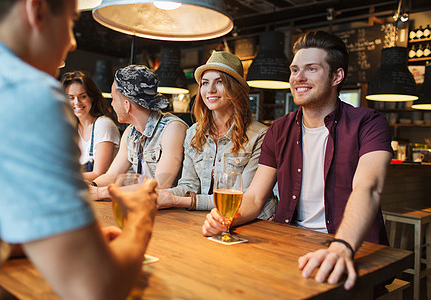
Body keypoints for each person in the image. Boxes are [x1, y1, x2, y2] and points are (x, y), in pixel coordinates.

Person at [0, 1, 158, 299]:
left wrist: (67, 236)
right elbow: (94, 288)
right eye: (72, 21)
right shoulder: (26, 94)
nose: (73, 41)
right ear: (36, 11)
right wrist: (140, 219)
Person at [202, 31, 393, 290]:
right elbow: (255, 198)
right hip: (288, 245)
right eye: (294, 70)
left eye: (311, 69)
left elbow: (368, 187)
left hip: (351, 247)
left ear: (337, 76)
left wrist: (342, 246)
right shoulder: (278, 130)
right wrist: (226, 218)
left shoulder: (368, 123)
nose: (298, 78)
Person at [157, 51, 277, 220]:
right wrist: (159, 195)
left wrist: (177, 201)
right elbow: (188, 185)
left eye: (219, 82)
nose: (210, 90)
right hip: (210, 219)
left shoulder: (259, 135)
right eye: (205, 83)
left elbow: (242, 199)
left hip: (253, 223)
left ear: (235, 89)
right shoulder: (193, 133)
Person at [90, 65, 188, 200]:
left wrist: (100, 192)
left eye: (113, 99)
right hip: (144, 208)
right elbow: (112, 176)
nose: (111, 105)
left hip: (175, 215)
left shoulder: (173, 128)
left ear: (127, 105)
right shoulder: (130, 133)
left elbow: (159, 185)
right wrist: (91, 185)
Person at [61, 71, 121, 181]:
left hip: (105, 192)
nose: (77, 102)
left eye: (82, 96)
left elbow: (99, 173)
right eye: (71, 98)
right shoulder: (73, 128)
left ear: (91, 97)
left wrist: (62, 177)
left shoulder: (103, 124)